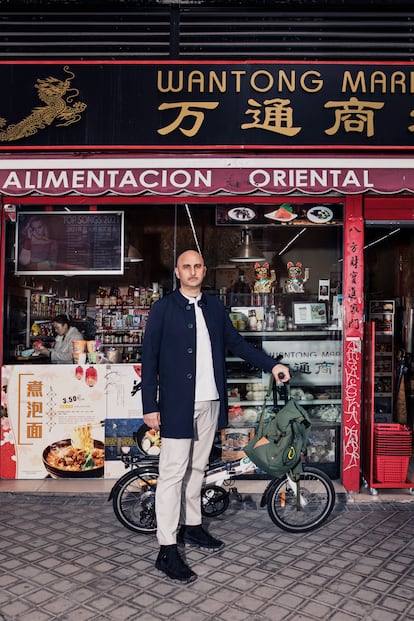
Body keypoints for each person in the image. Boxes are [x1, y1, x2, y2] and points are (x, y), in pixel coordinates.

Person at [141, 249, 290, 584]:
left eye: (197, 266)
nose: (192, 272)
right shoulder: (162, 309)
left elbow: (238, 343)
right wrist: (150, 405)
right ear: (177, 273)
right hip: (177, 405)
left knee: (197, 468)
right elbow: (148, 358)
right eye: (186, 267)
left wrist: (272, 365)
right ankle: (166, 548)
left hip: (210, 403)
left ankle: (192, 527)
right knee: (172, 474)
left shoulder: (214, 307)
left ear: (204, 271)